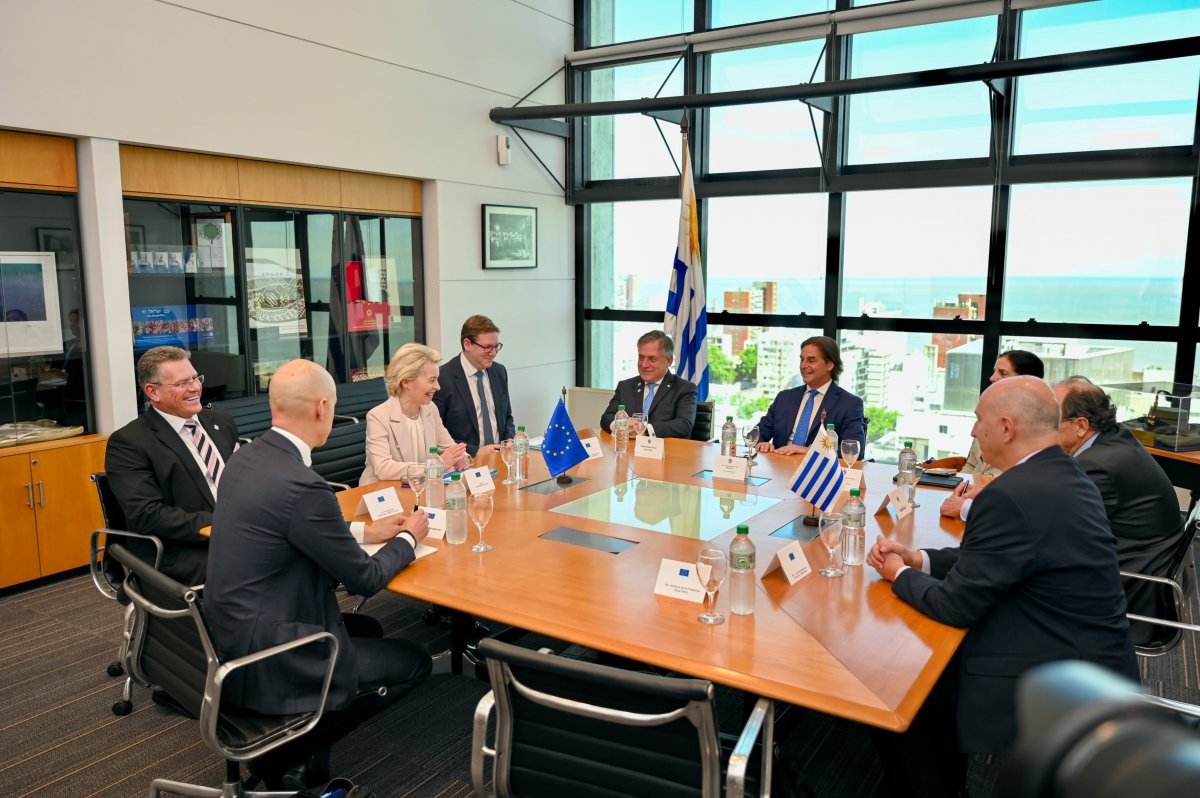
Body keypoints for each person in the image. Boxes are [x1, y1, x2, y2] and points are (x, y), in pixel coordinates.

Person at [867, 376, 1137, 798]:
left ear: (1007, 428)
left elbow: (955, 605)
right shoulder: (1064, 472)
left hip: (1052, 673)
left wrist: (899, 574)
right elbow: (1004, 559)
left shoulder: (1010, 494)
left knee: (898, 687)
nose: (974, 431)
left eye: (979, 421)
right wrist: (922, 558)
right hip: (1087, 656)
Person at [205, 359, 432, 791]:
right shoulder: (303, 485)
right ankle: (283, 753)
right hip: (273, 651)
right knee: (415, 662)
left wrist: (367, 530)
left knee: (366, 626)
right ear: (322, 408)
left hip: (229, 630)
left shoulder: (247, 458)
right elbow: (365, 579)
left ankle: (309, 753)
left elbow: (284, 524)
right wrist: (408, 539)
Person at [1054, 376, 1185, 646]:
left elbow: (1049, 524)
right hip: (1142, 561)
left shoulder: (1098, 465)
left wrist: (974, 508)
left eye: (1050, 417)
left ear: (1080, 426)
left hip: (1130, 583)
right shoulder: (1113, 439)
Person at [105, 346, 239, 586]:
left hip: (240, 532)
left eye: (196, 379)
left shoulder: (221, 422)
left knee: (307, 547)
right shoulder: (129, 443)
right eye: (181, 384)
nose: (195, 388)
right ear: (152, 392)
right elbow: (148, 515)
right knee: (269, 566)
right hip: (183, 550)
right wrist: (223, 522)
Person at [938, 349, 1044, 520]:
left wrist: (966, 505)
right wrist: (960, 493)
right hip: (969, 500)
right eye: (994, 371)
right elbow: (971, 465)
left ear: (1027, 382)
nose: (992, 378)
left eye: (1002, 373)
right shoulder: (987, 412)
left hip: (995, 510)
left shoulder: (1037, 429)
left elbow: (1021, 494)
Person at [359, 343, 471, 485]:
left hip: (421, 488)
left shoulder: (431, 409)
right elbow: (384, 468)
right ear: (407, 382)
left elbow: (449, 447)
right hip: (384, 494)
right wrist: (438, 466)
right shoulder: (378, 416)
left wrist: (462, 458)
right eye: (432, 380)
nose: (438, 387)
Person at [755, 335, 865, 455]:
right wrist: (761, 443)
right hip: (780, 467)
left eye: (811, 360)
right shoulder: (784, 397)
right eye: (802, 359)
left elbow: (853, 450)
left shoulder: (850, 404)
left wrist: (809, 451)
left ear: (829, 365)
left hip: (819, 471)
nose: (803, 366)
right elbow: (756, 434)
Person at [432, 314, 515, 457]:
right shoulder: (442, 378)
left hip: (501, 458)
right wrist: (475, 451)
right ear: (467, 344)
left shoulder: (499, 371)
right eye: (488, 347)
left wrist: (510, 439)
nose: (494, 353)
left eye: (496, 347)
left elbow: (507, 417)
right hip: (465, 463)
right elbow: (436, 434)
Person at [600, 330, 697, 439]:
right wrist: (622, 425)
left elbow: (684, 425)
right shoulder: (625, 386)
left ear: (668, 361)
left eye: (652, 359)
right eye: (641, 357)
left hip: (666, 453)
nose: (644, 364)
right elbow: (606, 418)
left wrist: (644, 429)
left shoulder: (684, 389)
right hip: (630, 451)